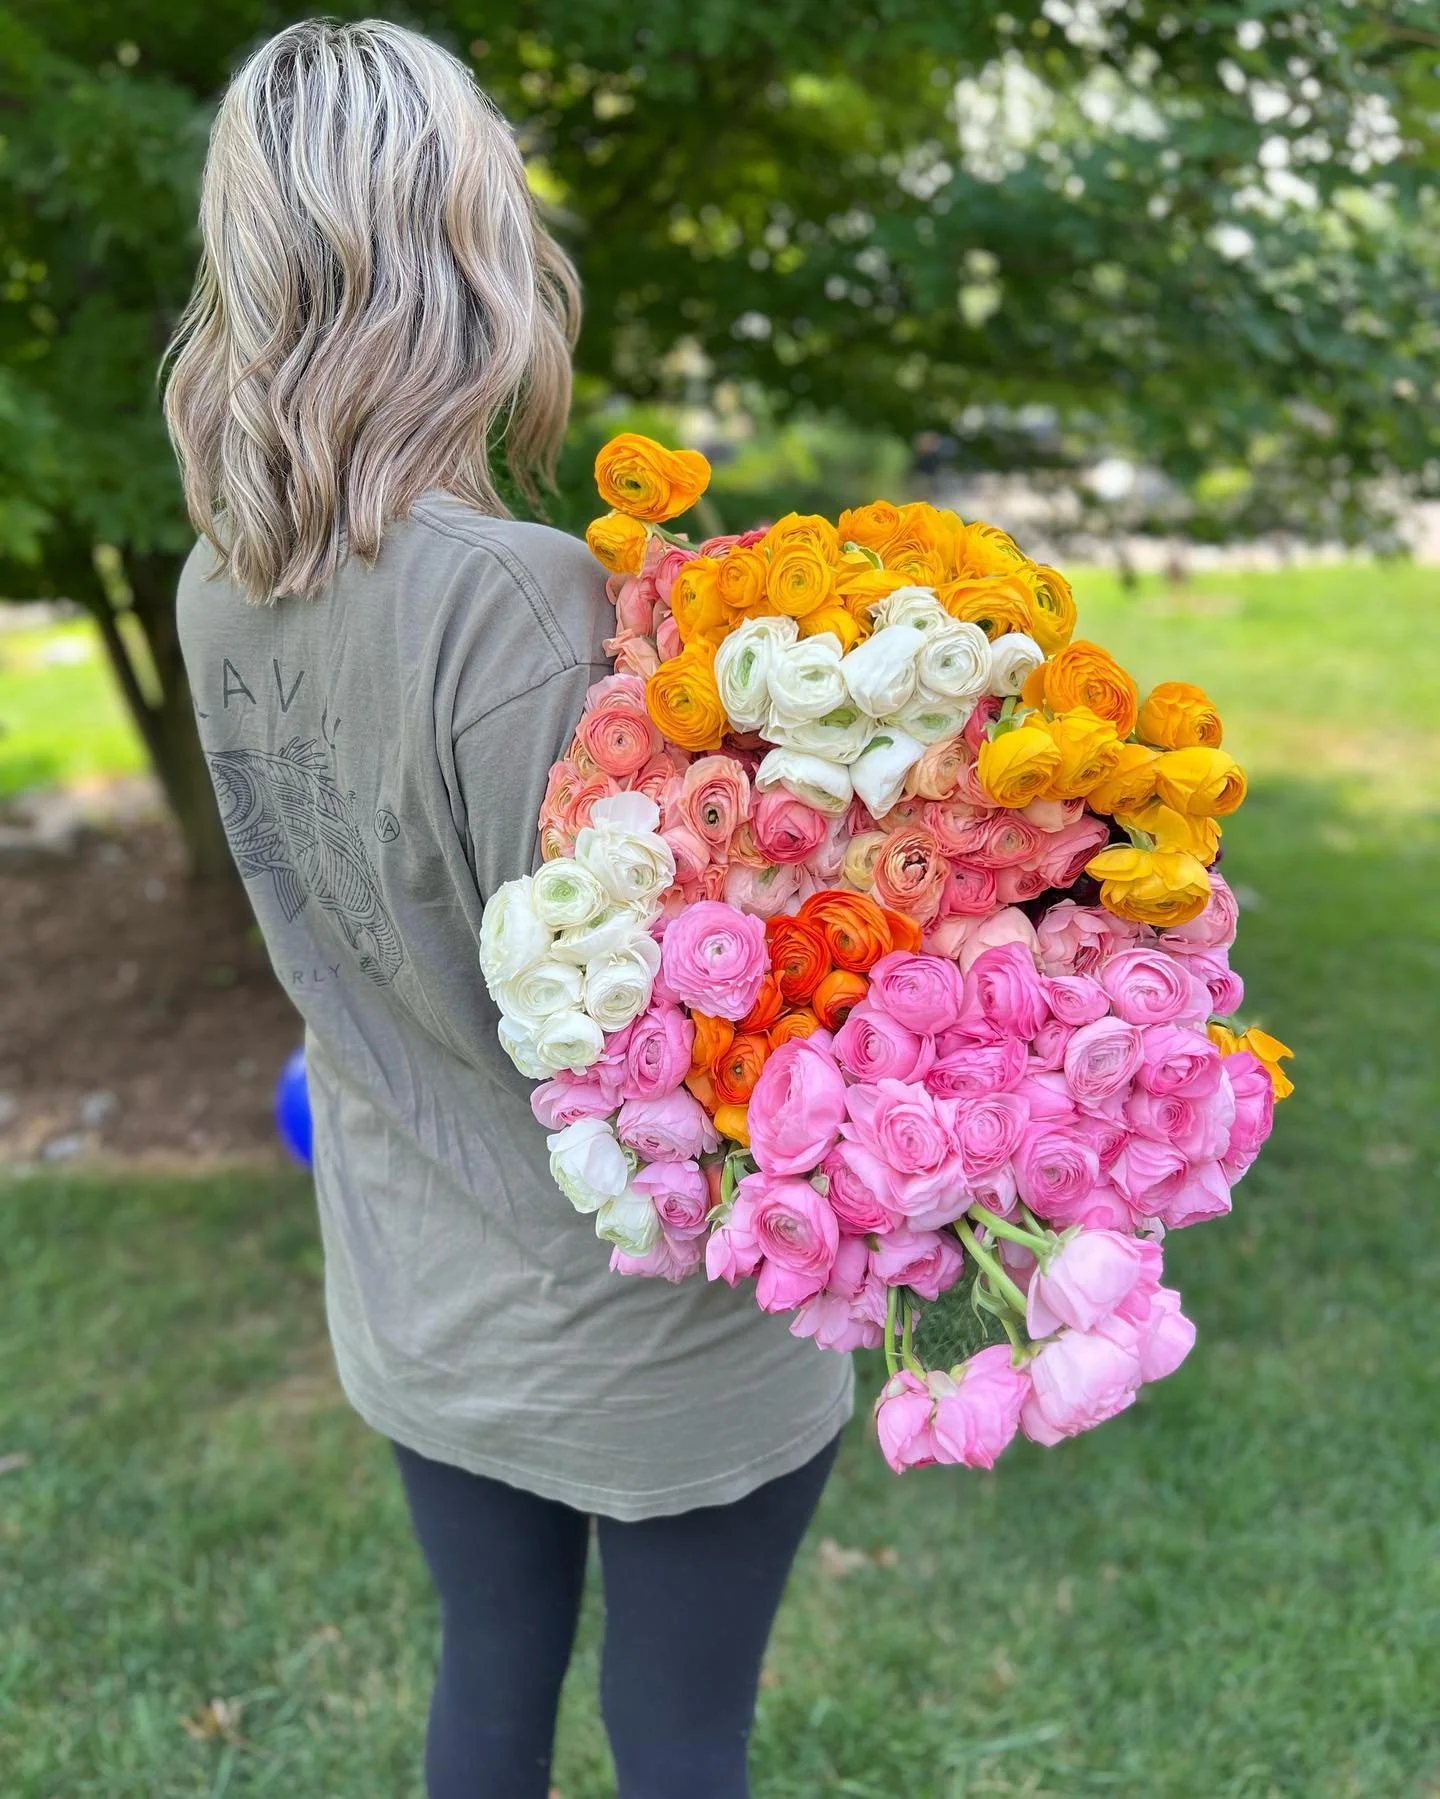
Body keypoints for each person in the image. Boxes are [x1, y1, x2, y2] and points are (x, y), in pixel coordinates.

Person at [163, 19, 852, 1799]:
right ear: (466, 252)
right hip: (633, 1328)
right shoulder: (529, 607)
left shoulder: (220, 587)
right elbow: (671, 1035)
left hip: (416, 1287)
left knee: (489, 1685)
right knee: (680, 1737)